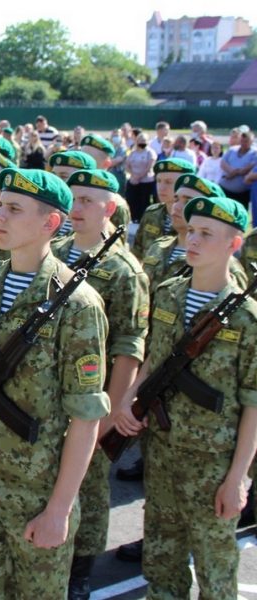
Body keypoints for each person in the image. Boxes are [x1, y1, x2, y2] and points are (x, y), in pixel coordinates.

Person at [0, 167, 109, 598]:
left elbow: (86, 418)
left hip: (39, 490)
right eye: (1, 206)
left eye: (14, 209)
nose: (0, 216)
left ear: (50, 223)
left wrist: (59, 509)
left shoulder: (77, 304)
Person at [114, 195, 257, 600]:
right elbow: (153, 362)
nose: (192, 240)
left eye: (206, 234)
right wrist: (128, 400)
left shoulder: (247, 318)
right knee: (161, 561)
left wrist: (238, 479)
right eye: (191, 230)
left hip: (213, 465)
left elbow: (254, 406)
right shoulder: (170, 294)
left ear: (234, 245)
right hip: (161, 452)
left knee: (215, 569)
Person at [53, 169, 149, 599]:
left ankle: (81, 570)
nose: (76, 208)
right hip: (51, 394)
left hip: (93, 399)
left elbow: (129, 347)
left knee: (89, 492)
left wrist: (111, 413)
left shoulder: (124, 270)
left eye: (87, 201)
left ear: (110, 208)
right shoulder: (57, 251)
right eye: (73, 199)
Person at [142, 174, 247, 294]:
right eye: (176, 199)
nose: (176, 206)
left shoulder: (229, 268)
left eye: (188, 201)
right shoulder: (159, 246)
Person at [132, 158, 196, 261]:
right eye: (158, 181)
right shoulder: (152, 212)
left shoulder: (195, 219)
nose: (161, 187)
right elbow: (137, 252)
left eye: (169, 182)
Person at [124, 132, 157, 222]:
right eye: (140, 140)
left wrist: (139, 176)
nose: (142, 142)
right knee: (132, 200)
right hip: (133, 180)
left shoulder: (150, 152)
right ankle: (133, 217)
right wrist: (133, 175)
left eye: (144, 140)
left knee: (144, 201)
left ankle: (143, 219)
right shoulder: (133, 153)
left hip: (146, 181)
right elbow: (127, 165)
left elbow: (149, 166)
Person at [220, 130, 257, 209]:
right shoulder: (232, 149)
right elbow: (223, 163)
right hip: (224, 189)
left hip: (242, 194)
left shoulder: (254, 153)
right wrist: (232, 172)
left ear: (252, 141)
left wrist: (233, 173)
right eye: (242, 141)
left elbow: (246, 169)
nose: (243, 143)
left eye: (246, 141)